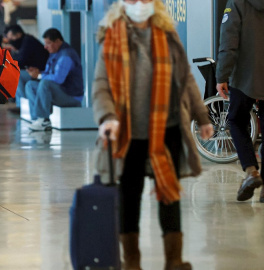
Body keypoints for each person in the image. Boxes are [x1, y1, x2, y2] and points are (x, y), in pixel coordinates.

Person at [92, 1, 214, 269]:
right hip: (129, 131)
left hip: (166, 127)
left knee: (169, 193)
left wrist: (201, 116)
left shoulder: (167, 34)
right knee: (129, 194)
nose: (140, 4)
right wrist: (107, 117)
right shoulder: (112, 36)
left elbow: (186, 79)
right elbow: (101, 83)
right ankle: (132, 261)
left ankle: (174, 260)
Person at [216, 0, 264, 203]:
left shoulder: (237, 3)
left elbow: (229, 43)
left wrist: (221, 76)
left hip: (244, 78)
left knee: (236, 120)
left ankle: (252, 171)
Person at [25, 28, 83, 131]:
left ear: (57, 41)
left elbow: (58, 79)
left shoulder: (66, 55)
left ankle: (44, 120)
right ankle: (38, 118)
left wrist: (39, 76)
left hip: (71, 96)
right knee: (30, 85)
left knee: (45, 83)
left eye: (48, 43)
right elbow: (49, 74)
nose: (45, 47)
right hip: (60, 92)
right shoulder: (55, 54)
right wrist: (39, 73)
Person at [4, 24, 48, 114]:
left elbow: (20, 61)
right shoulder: (25, 41)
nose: (11, 41)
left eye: (12, 37)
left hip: (41, 72)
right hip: (34, 71)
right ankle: (21, 105)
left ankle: (22, 106)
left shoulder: (28, 41)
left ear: (18, 34)